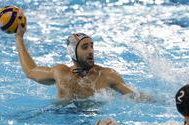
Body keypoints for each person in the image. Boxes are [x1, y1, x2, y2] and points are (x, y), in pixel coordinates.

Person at [15, 11, 148, 101]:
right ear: (73, 52)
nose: (91, 51)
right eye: (85, 47)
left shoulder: (107, 75)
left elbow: (136, 96)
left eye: (92, 46)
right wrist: (19, 37)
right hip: (58, 117)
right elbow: (31, 71)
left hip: (90, 120)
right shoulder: (60, 73)